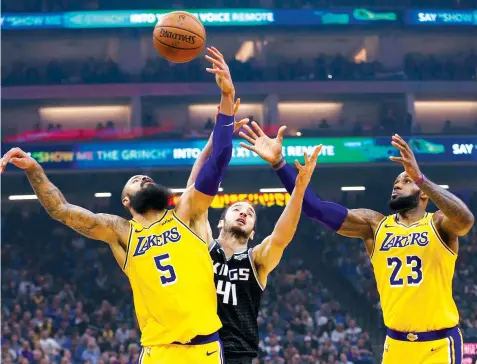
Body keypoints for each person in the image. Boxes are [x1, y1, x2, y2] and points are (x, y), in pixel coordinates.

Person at [0, 47, 240, 364]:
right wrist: (34, 170)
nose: (144, 179)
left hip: (204, 349)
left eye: (147, 178)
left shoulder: (187, 213)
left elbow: (218, 161)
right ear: (125, 201)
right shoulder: (120, 231)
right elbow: (62, 210)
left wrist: (227, 99)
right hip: (158, 352)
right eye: (136, 179)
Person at [239, 122, 475, 364]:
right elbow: (315, 208)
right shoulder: (374, 225)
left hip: (438, 344)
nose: (397, 184)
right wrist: (279, 164)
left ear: (423, 193)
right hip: (395, 345)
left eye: (405, 180)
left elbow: (465, 220)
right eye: (396, 181)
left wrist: (421, 178)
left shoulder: (437, 223)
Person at [186, 119, 321, 364]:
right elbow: (192, 198)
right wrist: (211, 145)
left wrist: (299, 188)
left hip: (237, 354)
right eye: (237, 209)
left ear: (253, 232)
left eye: (250, 214)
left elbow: (281, 237)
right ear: (220, 221)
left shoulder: (256, 260)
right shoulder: (205, 245)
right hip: (196, 350)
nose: (243, 213)